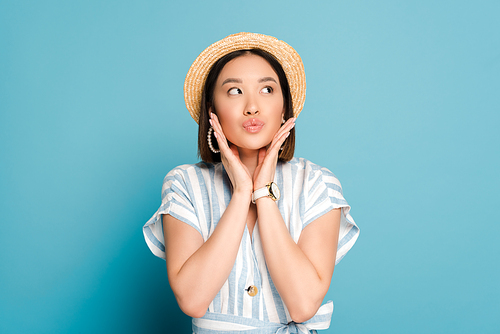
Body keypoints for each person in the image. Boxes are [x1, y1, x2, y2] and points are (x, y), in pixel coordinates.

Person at [143, 32, 360, 333]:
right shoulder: (184, 183)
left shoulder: (317, 184)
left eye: (268, 90)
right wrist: (242, 192)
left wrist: (263, 193)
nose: (252, 107)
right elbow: (192, 299)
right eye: (234, 92)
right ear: (212, 110)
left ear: (284, 106)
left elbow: (303, 304)